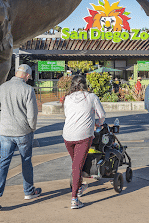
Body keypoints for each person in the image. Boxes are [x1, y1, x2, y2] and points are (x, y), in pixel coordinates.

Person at [0, 64, 41, 211]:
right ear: (27, 75)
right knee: (26, 161)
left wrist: (7, 116)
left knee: (3, 163)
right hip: (23, 132)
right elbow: (32, 115)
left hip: (5, 132)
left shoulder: (3, 87)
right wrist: (32, 128)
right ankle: (28, 191)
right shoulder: (28, 90)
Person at [63, 75, 106, 209]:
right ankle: (75, 198)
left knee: (76, 163)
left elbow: (67, 114)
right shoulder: (92, 97)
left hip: (67, 136)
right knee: (77, 166)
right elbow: (102, 116)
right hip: (83, 136)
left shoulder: (67, 98)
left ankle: (80, 186)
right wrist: (97, 124)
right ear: (85, 84)